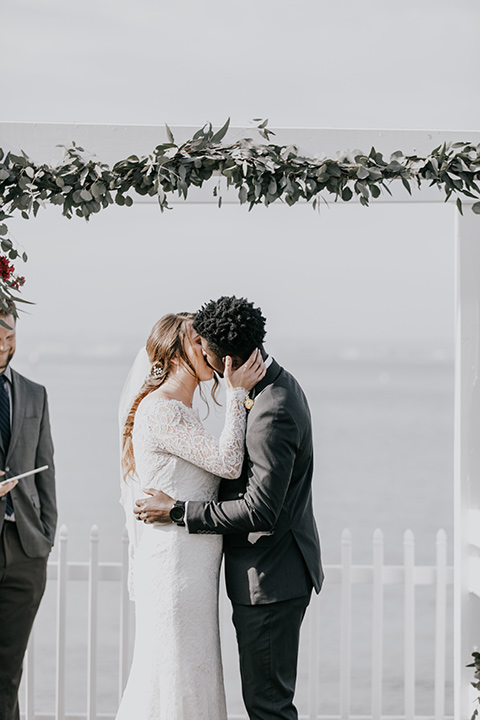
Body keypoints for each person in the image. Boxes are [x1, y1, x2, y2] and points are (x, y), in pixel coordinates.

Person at [135, 296, 324, 720]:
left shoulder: (271, 407)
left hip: (270, 578)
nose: (199, 355)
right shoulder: (268, 388)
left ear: (225, 362)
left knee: (268, 707)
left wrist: (179, 511)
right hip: (248, 574)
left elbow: (259, 511)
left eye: (204, 349)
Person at [117, 311, 265, 720]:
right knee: (174, 677)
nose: (209, 350)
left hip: (194, 570)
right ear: (176, 352)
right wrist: (236, 395)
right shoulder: (162, 409)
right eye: (198, 342)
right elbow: (228, 462)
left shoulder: (183, 411)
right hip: (174, 569)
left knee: (191, 674)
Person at [0, 305, 57, 720]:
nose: (5, 345)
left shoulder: (35, 393)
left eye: (10, 336)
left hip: (25, 551)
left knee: (8, 672)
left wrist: (46, 538)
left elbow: (46, 469)